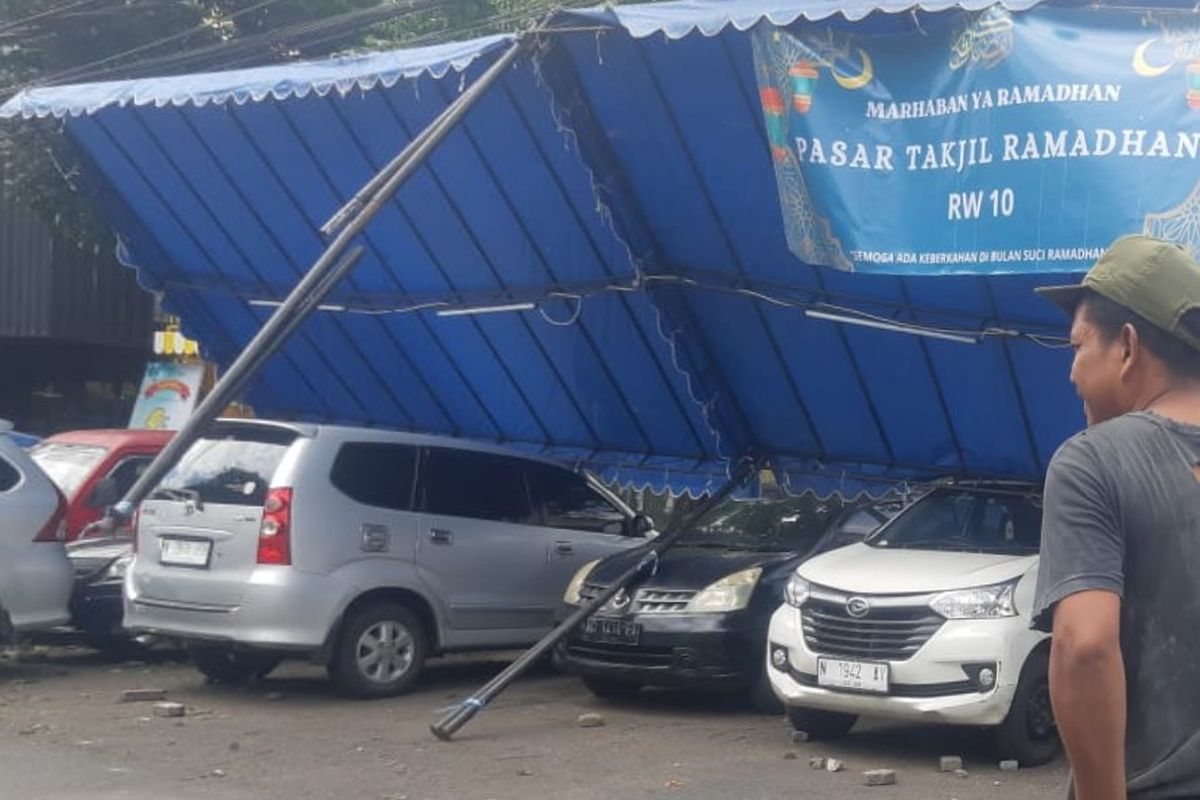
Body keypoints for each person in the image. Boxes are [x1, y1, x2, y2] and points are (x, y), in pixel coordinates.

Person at [1032, 234, 1200, 800]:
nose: (1072, 372)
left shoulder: (1093, 461)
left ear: (1127, 347)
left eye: (1078, 347)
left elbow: (1084, 646)